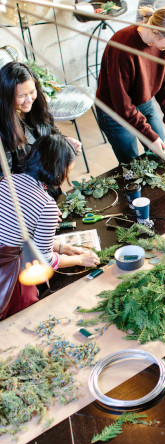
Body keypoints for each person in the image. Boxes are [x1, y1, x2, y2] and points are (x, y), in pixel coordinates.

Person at [0, 135, 99, 320]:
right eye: (69, 170)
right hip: (10, 275)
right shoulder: (46, 205)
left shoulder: (8, 181)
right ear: (59, 169)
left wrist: (64, 247)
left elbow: (19, 233)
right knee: (22, 319)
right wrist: (80, 259)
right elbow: (45, 260)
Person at [96, 6, 165, 164]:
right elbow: (122, 103)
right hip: (114, 112)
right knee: (132, 163)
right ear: (156, 32)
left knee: (161, 154)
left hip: (143, 101)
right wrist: (150, 137)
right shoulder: (122, 46)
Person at [0, 61, 82, 175]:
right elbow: (5, 177)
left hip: (47, 177)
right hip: (25, 188)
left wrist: (63, 141)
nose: (29, 100)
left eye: (32, 92)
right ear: (7, 96)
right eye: (22, 96)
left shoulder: (37, 107)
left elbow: (51, 131)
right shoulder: (3, 128)